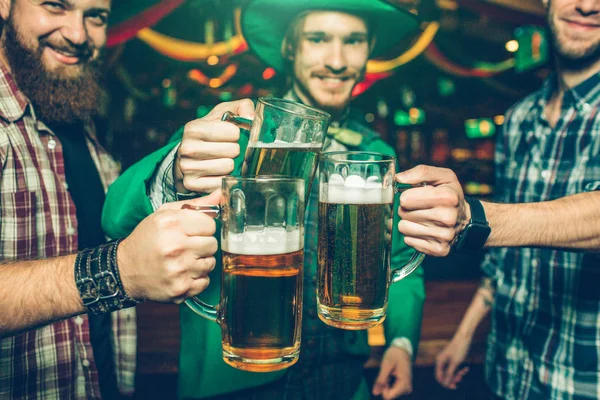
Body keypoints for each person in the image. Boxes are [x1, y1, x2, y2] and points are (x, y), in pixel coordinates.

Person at [102, 1, 425, 399]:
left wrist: (401, 343)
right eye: (318, 39)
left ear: (369, 48)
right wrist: (175, 170)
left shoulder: (374, 152)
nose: (337, 60)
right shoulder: (229, 134)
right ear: (291, 48)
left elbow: (394, 259)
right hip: (235, 381)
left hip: (341, 381)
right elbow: (115, 216)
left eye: (353, 40)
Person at [0, 0, 231, 398]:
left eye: (96, 16)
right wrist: (117, 271)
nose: (77, 34)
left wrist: (179, 168)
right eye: (55, 6)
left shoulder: (76, 117)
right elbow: (122, 263)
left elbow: (118, 217)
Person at [395, 0, 600, 398]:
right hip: (508, 373)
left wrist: (474, 218)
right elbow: (507, 264)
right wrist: (465, 334)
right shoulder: (520, 117)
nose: (587, 5)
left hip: (581, 381)